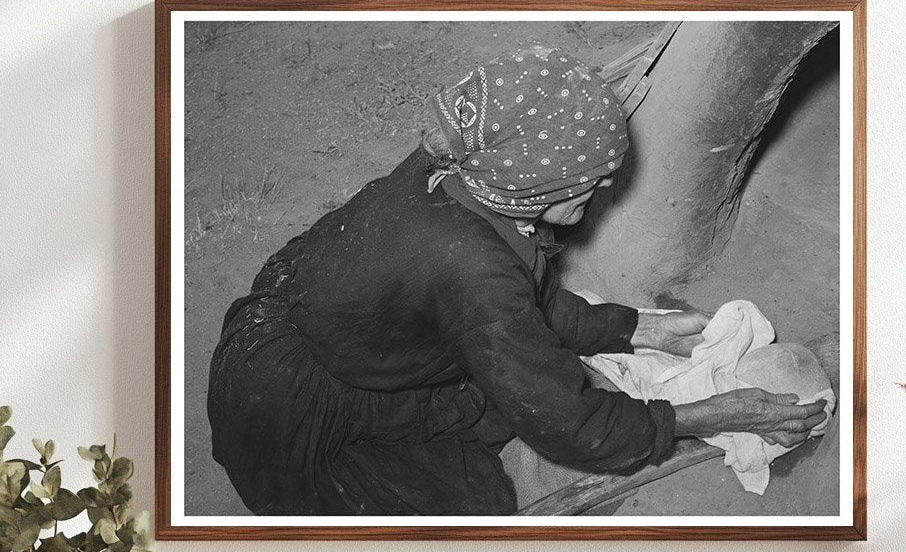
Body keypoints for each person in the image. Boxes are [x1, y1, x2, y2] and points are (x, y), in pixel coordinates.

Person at [207, 47, 827, 515]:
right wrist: (714, 413)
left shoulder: (461, 172)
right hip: (291, 416)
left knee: (500, 391)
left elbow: (515, 303)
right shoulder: (472, 268)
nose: (606, 185)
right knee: (477, 506)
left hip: (319, 339)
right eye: (590, 176)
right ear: (534, 186)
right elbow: (576, 428)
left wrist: (641, 329)